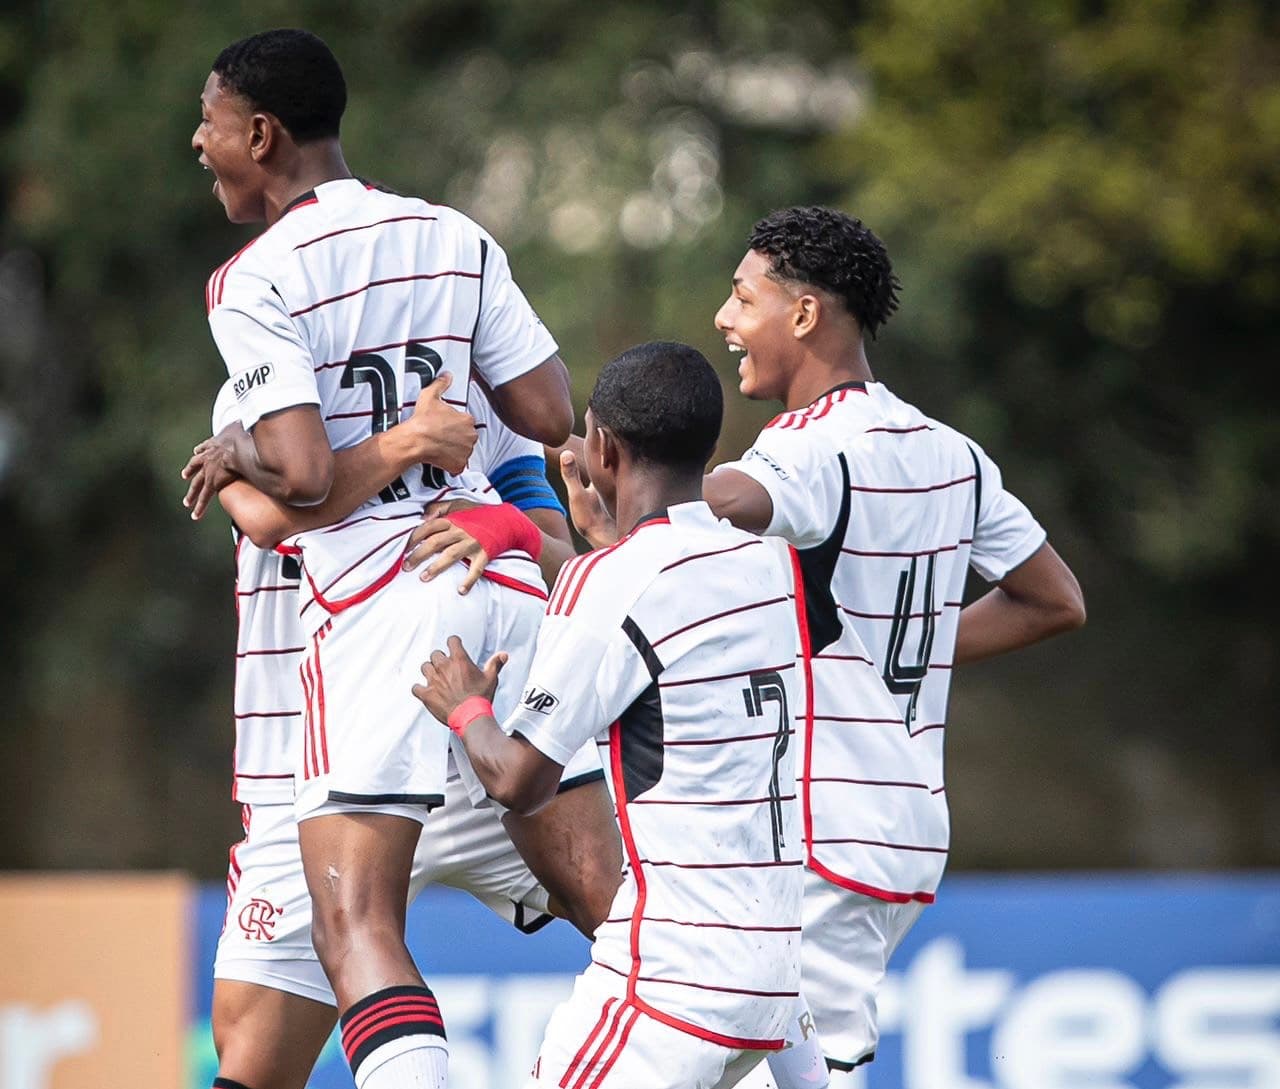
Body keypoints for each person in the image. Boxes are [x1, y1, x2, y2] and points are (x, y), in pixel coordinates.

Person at [560, 207, 1086, 1086]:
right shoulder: (952, 452)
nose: (725, 320)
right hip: (910, 822)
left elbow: (695, 510)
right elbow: (1053, 599)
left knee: (805, 1067)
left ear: (803, 316)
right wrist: (896, 647)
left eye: (741, 297)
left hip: (825, 830)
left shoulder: (806, 451)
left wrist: (610, 502)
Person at [188, 28, 578, 1089]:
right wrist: (424, 446)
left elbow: (293, 497)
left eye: (210, 125)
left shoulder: (256, 305)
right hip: (495, 637)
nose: (198, 141)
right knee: (640, 927)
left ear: (260, 134)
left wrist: (251, 459)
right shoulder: (457, 252)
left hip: (365, 664)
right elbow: (549, 413)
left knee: (348, 931)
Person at [192, 376, 620, 1089]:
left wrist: (510, 529)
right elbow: (269, 516)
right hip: (320, 752)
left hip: (477, 727)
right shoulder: (268, 381)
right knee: (255, 1061)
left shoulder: (487, 400)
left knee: (647, 931)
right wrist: (410, 445)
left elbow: (555, 559)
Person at [415, 342, 806, 1089]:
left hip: (669, 981)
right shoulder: (770, 566)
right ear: (710, 447)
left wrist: (465, 705)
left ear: (601, 448)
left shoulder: (611, 579)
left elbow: (520, 782)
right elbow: (667, 616)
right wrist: (603, 543)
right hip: (777, 977)